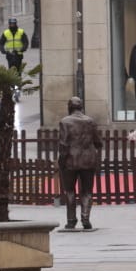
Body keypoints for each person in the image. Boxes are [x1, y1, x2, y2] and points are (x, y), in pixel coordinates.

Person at [56, 97, 101, 230]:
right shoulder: (90, 121)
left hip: (70, 160)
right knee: (87, 191)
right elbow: (98, 142)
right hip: (88, 160)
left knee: (70, 191)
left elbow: (63, 144)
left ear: (69, 107)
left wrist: (61, 160)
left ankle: (71, 221)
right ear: (81, 107)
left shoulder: (65, 121)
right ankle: (85, 218)